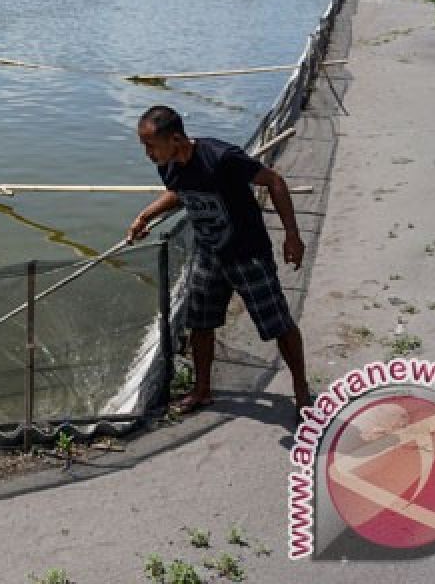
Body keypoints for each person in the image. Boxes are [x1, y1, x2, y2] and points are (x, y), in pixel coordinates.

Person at [126, 105, 311, 421]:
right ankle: (202, 389)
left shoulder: (221, 157)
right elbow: (179, 192)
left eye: (150, 146)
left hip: (247, 255)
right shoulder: (168, 163)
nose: (148, 154)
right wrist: (146, 216)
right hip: (209, 254)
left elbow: (275, 181)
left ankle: (302, 390)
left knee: (278, 323)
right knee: (201, 324)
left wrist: (292, 235)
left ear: (175, 139)